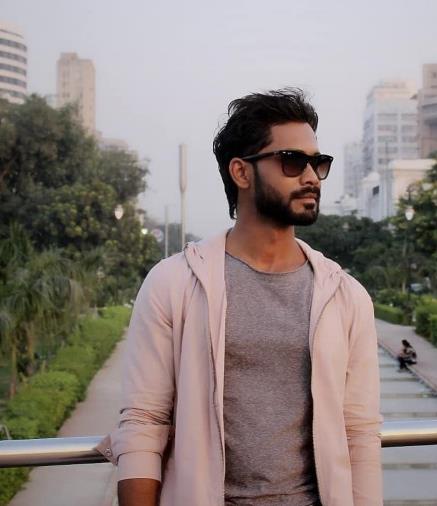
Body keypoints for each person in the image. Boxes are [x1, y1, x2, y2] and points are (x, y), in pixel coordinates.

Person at [98, 88, 383, 506]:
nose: (310, 177)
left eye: (317, 163)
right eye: (292, 161)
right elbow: (144, 422)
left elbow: (359, 432)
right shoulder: (174, 283)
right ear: (241, 172)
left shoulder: (345, 296)